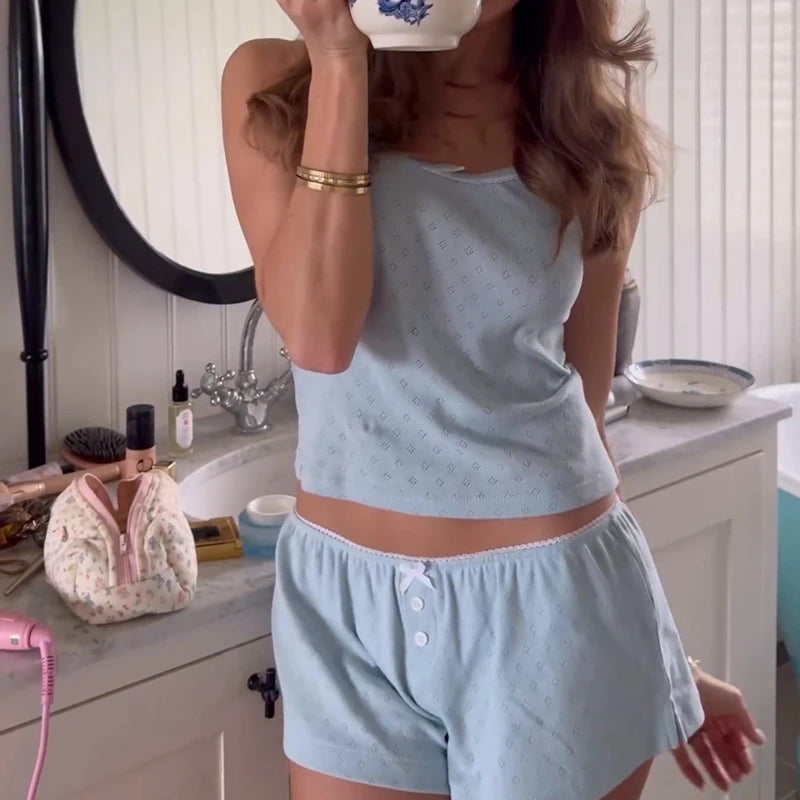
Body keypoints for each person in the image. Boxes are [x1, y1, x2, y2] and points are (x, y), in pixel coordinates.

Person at [221, 1, 765, 798]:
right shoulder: (278, 84)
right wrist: (339, 58)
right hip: (339, 607)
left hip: (553, 612)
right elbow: (319, 336)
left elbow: (585, 427)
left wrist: (663, 659)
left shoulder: (589, 138)